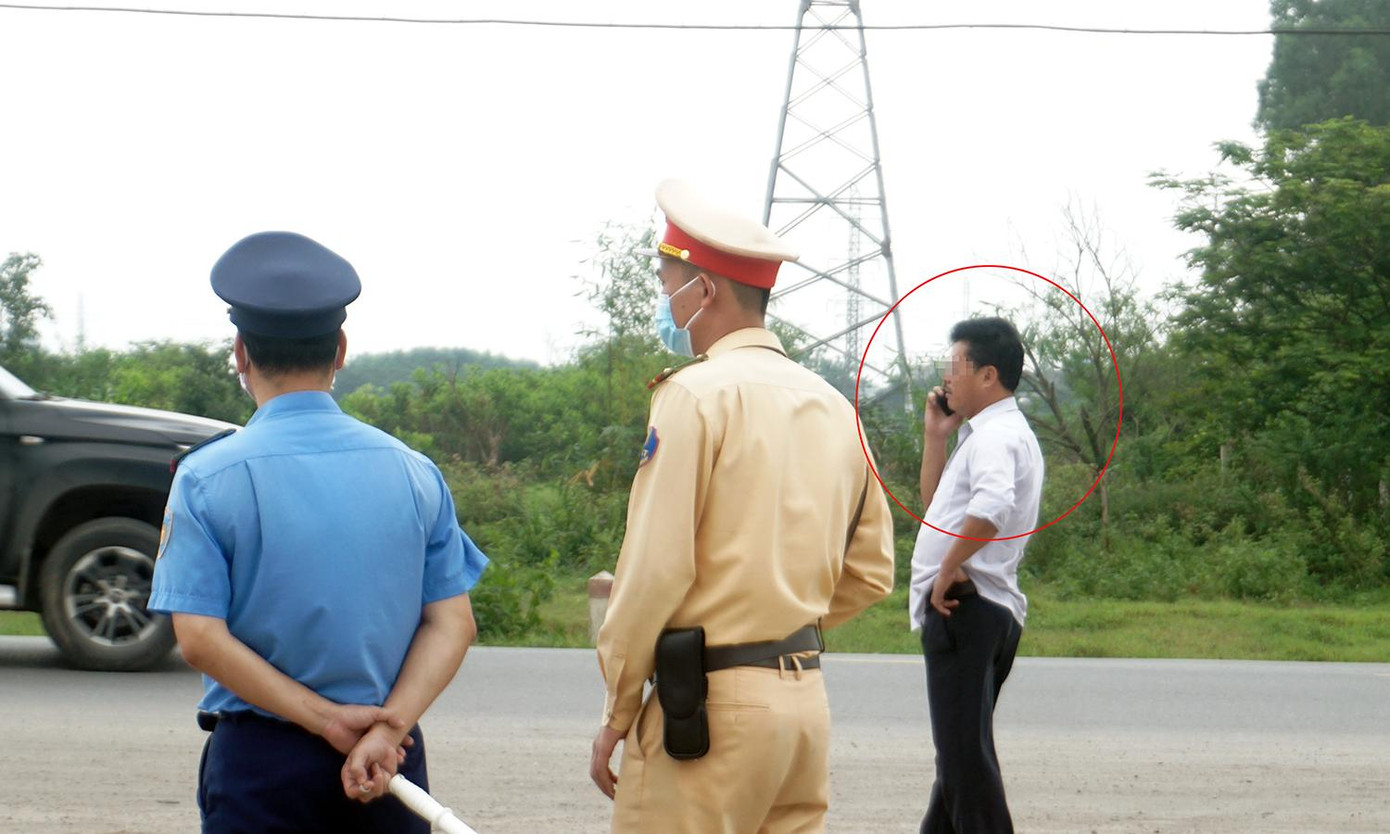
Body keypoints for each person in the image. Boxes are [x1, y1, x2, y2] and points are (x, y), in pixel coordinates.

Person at [148, 231, 488, 833]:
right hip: (392, 763)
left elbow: (199, 637)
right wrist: (387, 727)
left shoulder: (205, 477)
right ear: (341, 349)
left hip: (261, 767)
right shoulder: (413, 472)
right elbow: (452, 621)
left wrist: (327, 720)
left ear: (240, 354)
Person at [588, 179, 896, 833]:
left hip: (708, 712)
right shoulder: (835, 407)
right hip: (802, 706)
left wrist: (618, 710)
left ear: (706, 290)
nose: (665, 296)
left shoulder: (695, 396)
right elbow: (871, 572)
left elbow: (654, 572)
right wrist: (776, 621)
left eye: (669, 280)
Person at [909, 317, 1044, 833]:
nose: (946, 379)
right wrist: (936, 437)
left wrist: (947, 568)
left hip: (965, 608)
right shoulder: (991, 434)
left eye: (955, 367)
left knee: (966, 766)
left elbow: (991, 505)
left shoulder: (997, 436)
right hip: (983, 610)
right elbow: (937, 507)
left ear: (988, 375)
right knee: (958, 765)